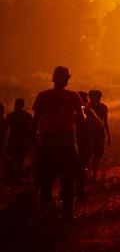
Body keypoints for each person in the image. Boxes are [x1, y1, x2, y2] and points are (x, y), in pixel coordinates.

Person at [32, 66, 85, 220]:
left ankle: (46, 213)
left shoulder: (42, 96)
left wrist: (36, 141)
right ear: (67, 80)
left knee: (46, 180)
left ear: (53, 78)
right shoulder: (73, 96)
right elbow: (82, 120)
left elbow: (34, 122)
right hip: (67, 143)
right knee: (68, 181)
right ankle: (67, 214)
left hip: (48, 144)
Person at [76, 91, 99, 202]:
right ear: (86, 101)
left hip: (73, 143)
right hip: (85, 143)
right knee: (82, 168)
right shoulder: (88, 111)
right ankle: (80, 192)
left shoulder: (71, 112)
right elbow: (99, 124)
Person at [4, 99, 33, 185]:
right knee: (20, 159)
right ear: (23, 105)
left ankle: (11, 178)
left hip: (13, 140)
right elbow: (31, 129)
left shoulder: (10, 116)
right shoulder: (27, 116)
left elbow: (5, 129)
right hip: (22, 140)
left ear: (16, 104)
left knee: (12, 159)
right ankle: (16, 177)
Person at [87, 90, 110, 181]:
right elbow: (106, 122)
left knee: (95, 155)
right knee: (95, 155)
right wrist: (109, 136)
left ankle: (92, 174)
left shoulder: (88, 107)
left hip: (95, 133)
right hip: (95, 133)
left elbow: (105, 122)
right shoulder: (89, 107)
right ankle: (92, 175)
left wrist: (109, 136)